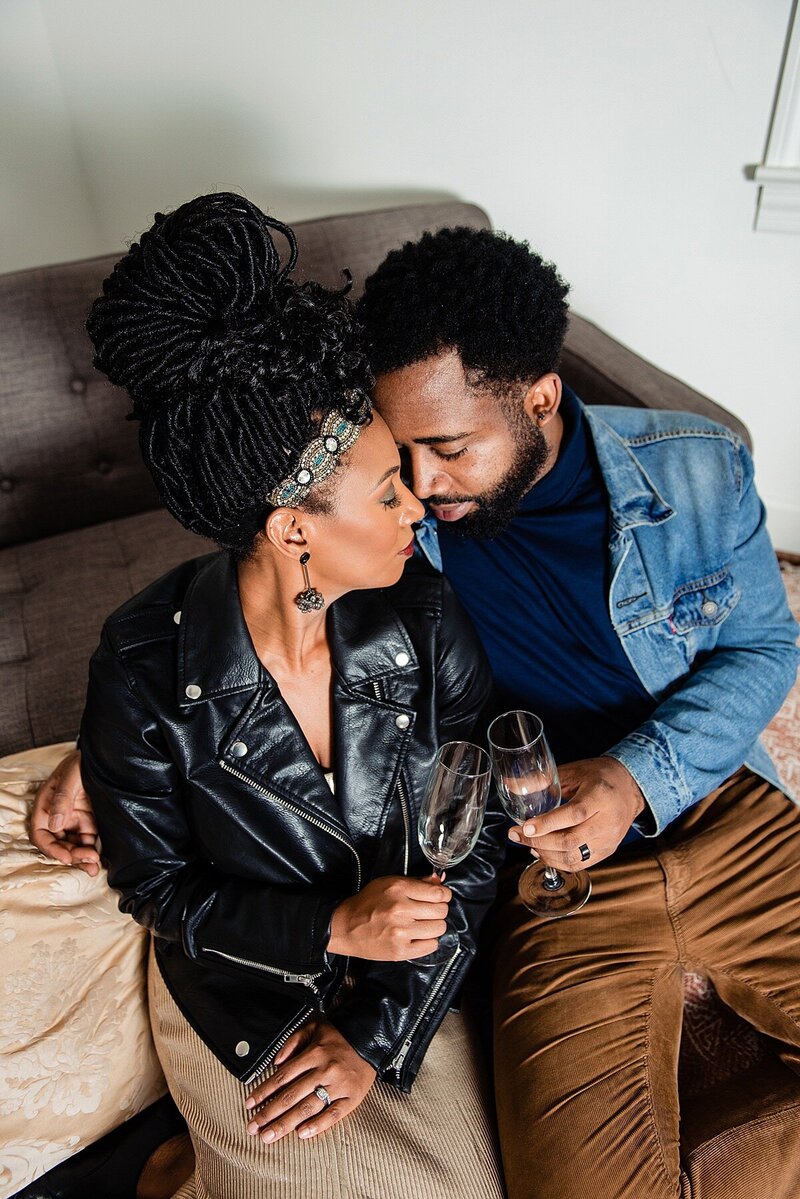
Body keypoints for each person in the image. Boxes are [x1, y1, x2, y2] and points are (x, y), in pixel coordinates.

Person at [34, 222, 800, 1198]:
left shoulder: (693, 469)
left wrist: (635, 774)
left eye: (444, 451)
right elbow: (275, 539)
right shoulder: (401, 542)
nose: (423, 492)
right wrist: (109, 743)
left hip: (718, 807)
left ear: (537, 400)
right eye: (401, 461)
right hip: (543, 855)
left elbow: (766, 647)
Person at [40, 195, 507, 1199]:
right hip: (244, 989)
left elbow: (471, 842)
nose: (417, 502)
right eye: (387, 490)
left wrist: (373, 1028)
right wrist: (332, 928)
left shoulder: (423, 617)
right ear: (294, 526)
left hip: (407, 977)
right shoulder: (139, 663)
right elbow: (159, 891)